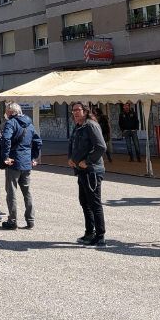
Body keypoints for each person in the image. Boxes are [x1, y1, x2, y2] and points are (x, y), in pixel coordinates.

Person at [68, 102, 107, 246]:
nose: (75, 113)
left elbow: (101, 146)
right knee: (85, 202)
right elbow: (73, 144)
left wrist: (88, 161)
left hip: (92, 171)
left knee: (94, 203)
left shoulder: (90, 125)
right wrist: (71, 158)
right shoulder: (79, 126)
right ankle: (89, 232)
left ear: (85, 111)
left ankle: (100, 235)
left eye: (78, 110)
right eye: (73, 110)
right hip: (81, 171)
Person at [0, 103, 42, 230]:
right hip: (26, 162)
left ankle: (12, 221)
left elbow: (6, 139)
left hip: (14, 162)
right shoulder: (29, 123)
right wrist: (33, 157)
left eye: (7, 111)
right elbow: (37, 141)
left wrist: (5, 156)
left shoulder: (11, 123)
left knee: (11, 192)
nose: (6, 113)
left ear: (11, 112)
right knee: (27, 192)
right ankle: (30, 220)